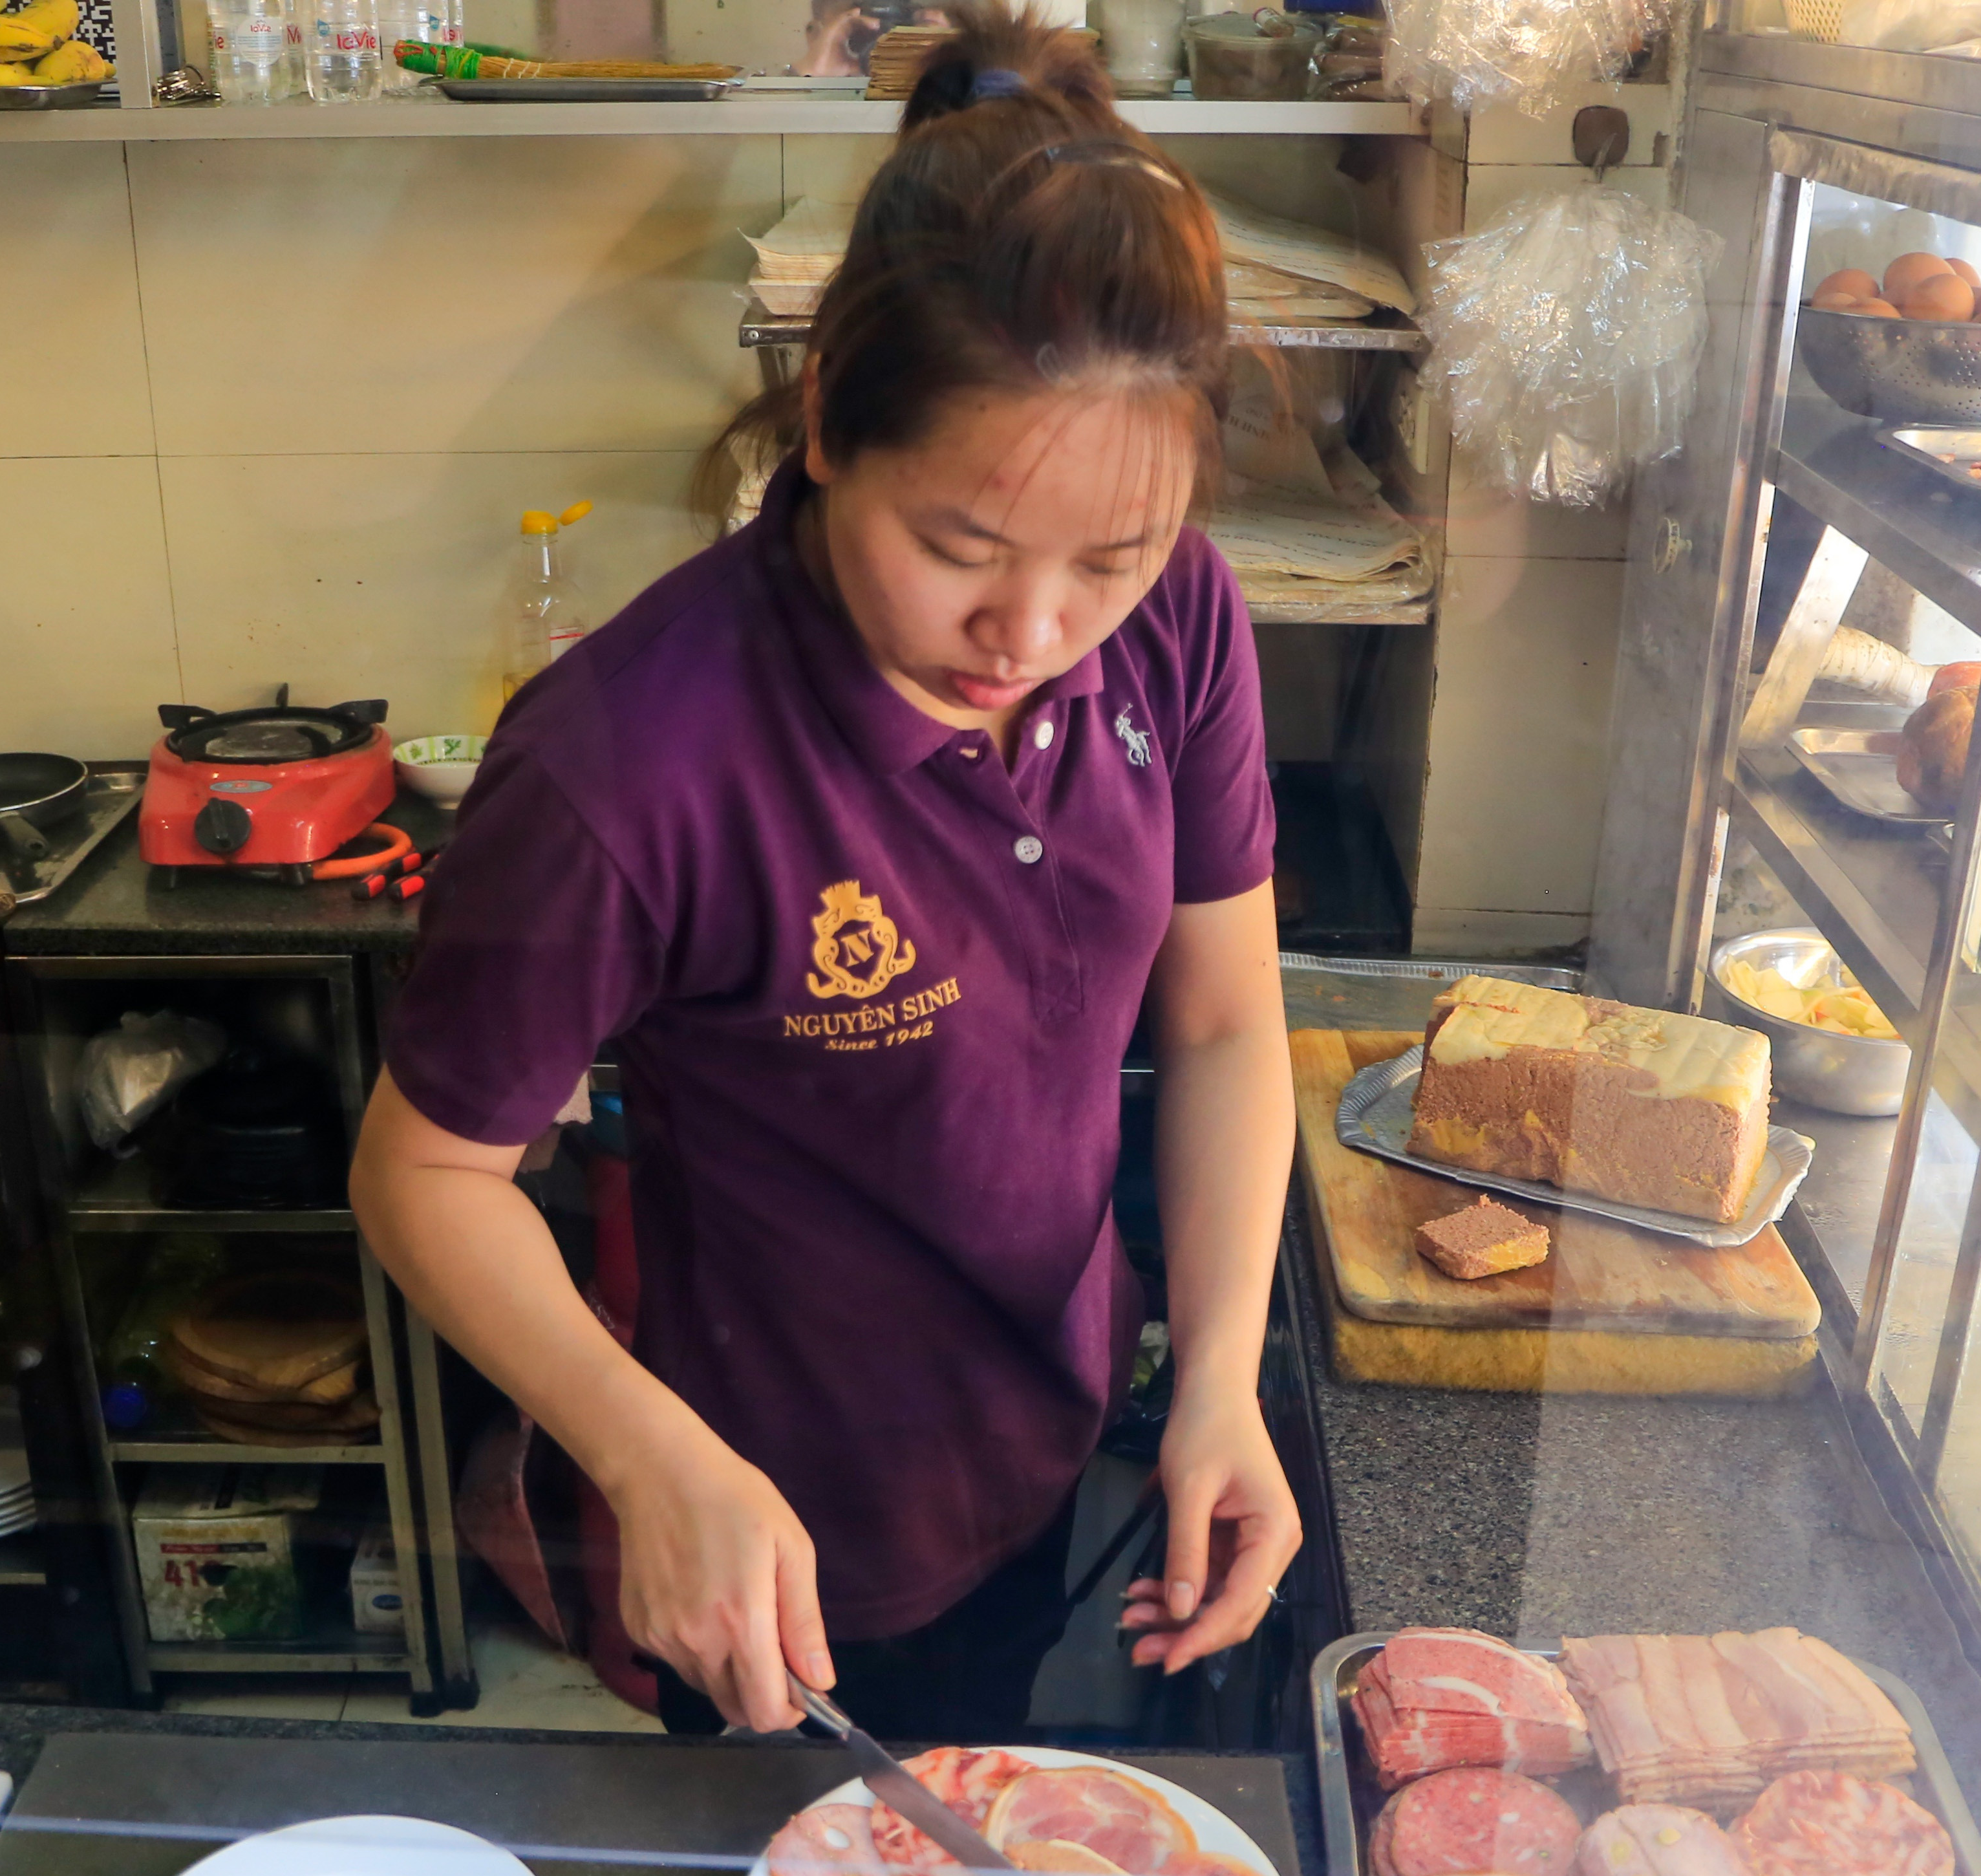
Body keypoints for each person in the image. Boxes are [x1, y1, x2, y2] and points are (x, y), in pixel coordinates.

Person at [350, 1, 1301, 1740]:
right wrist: (646, 1458)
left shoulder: (1182, 624)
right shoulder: (626, 761)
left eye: (1113, 553)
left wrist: (1216, 1384)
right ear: (821, 424)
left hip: (1058, 1404)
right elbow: (425, 1172)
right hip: (785, 1509)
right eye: (958, 547)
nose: (1030, 630)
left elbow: (1230, 1023)